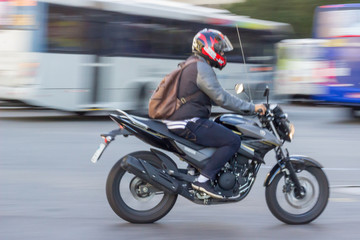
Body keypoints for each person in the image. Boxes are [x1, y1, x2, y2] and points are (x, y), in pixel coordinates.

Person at [164, 28, 266, 199]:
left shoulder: (193, 64)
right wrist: (252, 108)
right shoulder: (201, 67)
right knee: (233, 140)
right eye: (219, 49)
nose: (221, 53)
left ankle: (199, 169)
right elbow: (222, 98)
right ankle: (203, 181)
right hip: (187, 122)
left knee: (220, 126)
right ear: (208, 48)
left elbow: (213, 97)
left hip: (183, 119)